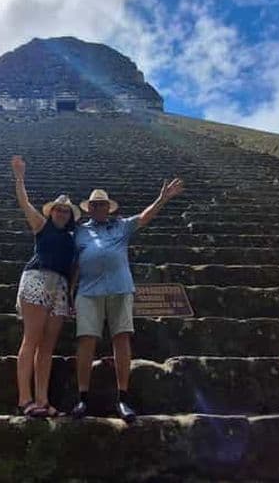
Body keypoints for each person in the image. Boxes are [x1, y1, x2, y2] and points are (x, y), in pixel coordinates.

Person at [70, 180, 184, 422]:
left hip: (120, 288)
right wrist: (69, 293)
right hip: (88, 291)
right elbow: (74, 263)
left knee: (121, 337)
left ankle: (122, 397)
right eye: (94, 205)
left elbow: (144, 217)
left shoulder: (121, 226)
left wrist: (162, 198)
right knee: (86, 340)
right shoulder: (79, 231)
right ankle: (83, 397)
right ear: (88, 208)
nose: (98, 208)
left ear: (108, 208)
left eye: (102, 204)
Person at [11, 155, 80, 418]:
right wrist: (19, 177)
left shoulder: (73, 238)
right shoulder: (41, 225)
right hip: (37, 280)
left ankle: (42, 400)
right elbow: (24, 203)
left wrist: (71, 294)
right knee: (31, 339)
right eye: (58, 210)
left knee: (47, 347)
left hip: (61, 288)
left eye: (66, 211)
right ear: (51, 212)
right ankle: (24, 399)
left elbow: (76, 268)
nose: (62, 213)